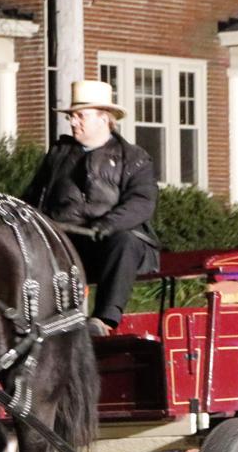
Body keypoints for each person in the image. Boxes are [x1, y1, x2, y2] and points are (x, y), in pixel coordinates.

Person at [23, 80, 160, 336]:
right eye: (72, 117)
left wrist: (108, 224)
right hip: (67, 242)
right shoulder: (58, 155)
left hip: (114, 246)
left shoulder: (134, 158)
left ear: (104, 118)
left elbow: (141, 202)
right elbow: (33, 198)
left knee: (125, 239)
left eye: (80, 116)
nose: (73, 122)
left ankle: (103, 321)